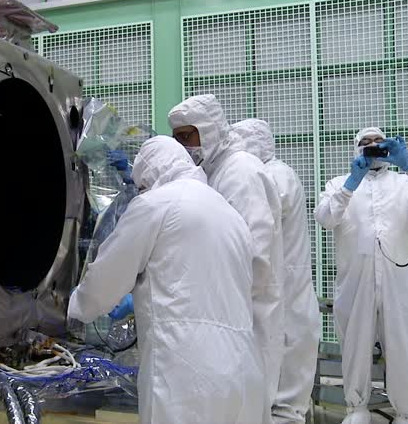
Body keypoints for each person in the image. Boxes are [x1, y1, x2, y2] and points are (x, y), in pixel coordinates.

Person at [68, 136, 265, 424]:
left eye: (141, 185)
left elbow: (107, 277)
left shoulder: (155, 204)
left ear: (151, 174)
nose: (141, 191)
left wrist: (75, 305)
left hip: (186, 372)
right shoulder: (229, 214)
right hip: (243, 369)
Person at [168, 94, 285, 422]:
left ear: (208, 129)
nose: (183, 146)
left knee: (249, 406)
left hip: (248, 310)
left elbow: (254, 251)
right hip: (227, 310)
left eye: (187, 136)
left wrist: (221, 297)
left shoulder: (240, 171)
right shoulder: (213, 170)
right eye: (177, 138)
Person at [314, 127, 408, 424]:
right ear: (356, 149)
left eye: (378, 142)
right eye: (366, 142)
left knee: (404, 346)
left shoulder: (405, 183)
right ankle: (357, 409)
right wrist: (351, 184)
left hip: (401, 283)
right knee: (355, 345)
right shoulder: (339, 184)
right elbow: (324, 218)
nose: (373, 146)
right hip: (355, 282)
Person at [231, 118, 321, 423]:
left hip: (284, 284)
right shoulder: (269, 174)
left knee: (285, 362)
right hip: (281, 283)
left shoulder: (274, 176)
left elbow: (254, 224)